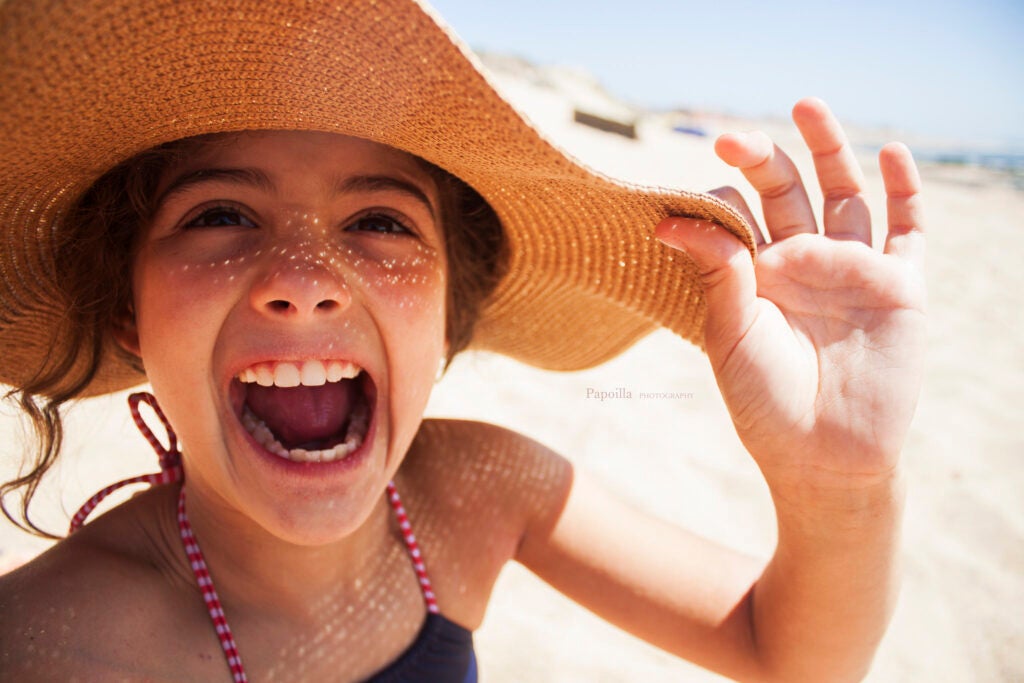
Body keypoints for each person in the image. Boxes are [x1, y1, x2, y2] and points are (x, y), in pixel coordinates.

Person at [0, 0, 926, 681]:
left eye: (381, 223)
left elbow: (791, 653)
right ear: (126, 307)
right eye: (223, 213)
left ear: (448, 309)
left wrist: (839, 487)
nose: (305, 282)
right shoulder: (46, 643)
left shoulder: (478, 493)